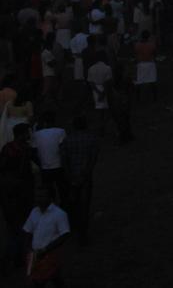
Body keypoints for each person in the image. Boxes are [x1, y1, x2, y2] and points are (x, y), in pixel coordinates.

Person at [60, 115, 99, 245]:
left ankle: (76, 229)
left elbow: (64, 161)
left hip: (72, 177)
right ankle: (83, 233)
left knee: (74, 204)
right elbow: (93, 159)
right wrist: (85, 174)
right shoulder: (91, 139)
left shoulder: (67, 140)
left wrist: (70, 176)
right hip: (85, 176)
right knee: (84, 205)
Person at [23, 188, 70, 287]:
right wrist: (28, 248)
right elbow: (28, 230)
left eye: (42, 196)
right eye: (37, 196)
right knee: (52, 277)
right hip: (36, 254)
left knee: (40, 280)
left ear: (50, 198)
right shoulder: (34, 212)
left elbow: (65, 235)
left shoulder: (59, 214)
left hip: (50, 254)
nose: (38, 199)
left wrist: (46, 249)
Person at [31, 111, 66, 203]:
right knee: (62, 191)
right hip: (59, 166)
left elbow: (33, 152)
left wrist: (41, 164)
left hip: (45, 168)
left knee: (48, 193)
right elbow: (63, 150)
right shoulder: (61, 131)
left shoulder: (36, 135)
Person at [133, 30, 158, 102]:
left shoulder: (137, 45)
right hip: (150, 63)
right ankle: (155, 98)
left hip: (141, 64)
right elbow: (155, 54)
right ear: (148, 37)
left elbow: (135, 54)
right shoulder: (152, 45)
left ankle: (138, 98)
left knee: (139, 82)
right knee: (152, 81)